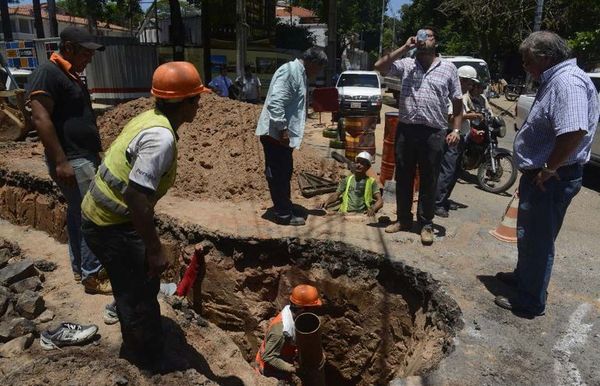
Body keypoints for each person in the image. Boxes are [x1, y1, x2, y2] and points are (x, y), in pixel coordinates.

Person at [80, 61, 209, 366]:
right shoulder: (160, 138)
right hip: (110, 224)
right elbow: (136, 196)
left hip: (103, 217)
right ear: (186, 102)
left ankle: (137, 336)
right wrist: (154, 249)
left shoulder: (150, 118)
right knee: (138, 292)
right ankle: (146, 360)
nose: (200, 104)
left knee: (134, 285)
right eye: (197, 98)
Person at [494, 31, 599, 317]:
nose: (525, 67)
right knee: (529, 235)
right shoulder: (557, 79)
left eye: (528, 61)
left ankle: (530, 301)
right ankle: (524, 278)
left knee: (538, 240)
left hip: (552, 178)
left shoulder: (567, 82)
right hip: (544, 176)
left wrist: (549, 168)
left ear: (546, 57)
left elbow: (575, 129)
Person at [27, 26, 111, 294]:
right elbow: (41, 118)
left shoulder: (70, 75)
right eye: (86, 52)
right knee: (91, 215)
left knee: (78, 215)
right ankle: (92, 274)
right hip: (72, 159)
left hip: (81, 157)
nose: (90, 58)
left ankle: (81, 270)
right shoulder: (47, 73)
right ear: (68, 48)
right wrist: (61, 160)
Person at [374, 27, 463, 245]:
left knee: (429, 179)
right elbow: (379, 66)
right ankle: (404, 219)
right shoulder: (407, 64)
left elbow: (458, 102)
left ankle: (426, 224)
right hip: (407, 129)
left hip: (434, 132)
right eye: (420, 36)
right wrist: (405, 47)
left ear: (436, 42)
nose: (423, 40)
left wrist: (456, 130)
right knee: (403, 176)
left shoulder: (449, 68)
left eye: (428, 36)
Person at [256, 47, 328, 226]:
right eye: (318, 69)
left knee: (285, 172)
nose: (318, 73)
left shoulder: (300, 74)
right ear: (312, 62)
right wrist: (283, 129)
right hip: (276, 135)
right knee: (278, 174)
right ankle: (282, 214)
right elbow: (276, 102)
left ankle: (285, 206)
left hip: (282, 137)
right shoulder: (290, 71)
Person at [434, 65, 483, 218]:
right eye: (469, 83)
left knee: (455, 171)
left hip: (461, 136)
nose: (471, 86)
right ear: (460, 80)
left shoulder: (462, 96)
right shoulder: (451, 95)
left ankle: (444, 199)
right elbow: (450, 117)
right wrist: (470, 116)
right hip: (451, 135)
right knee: (447, 170)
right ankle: (437, 203)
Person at [255, 284, 323, 384]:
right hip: (269, 370)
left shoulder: (293, 315)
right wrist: (293, 369)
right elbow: (268, 357)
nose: (314, 312)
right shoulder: (280, 332)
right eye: (312, 309)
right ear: (301, 309)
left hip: (284, 356)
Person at [318, 151, 383, 216]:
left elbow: (380, 201)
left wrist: (373, 209)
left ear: (367, 167)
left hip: (362, 215)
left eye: (362, 163)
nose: (358, 165)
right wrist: (326, 202)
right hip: (345, 214)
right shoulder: (347, 179)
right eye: (357, 162)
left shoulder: (371, 182)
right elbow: (336, 195)